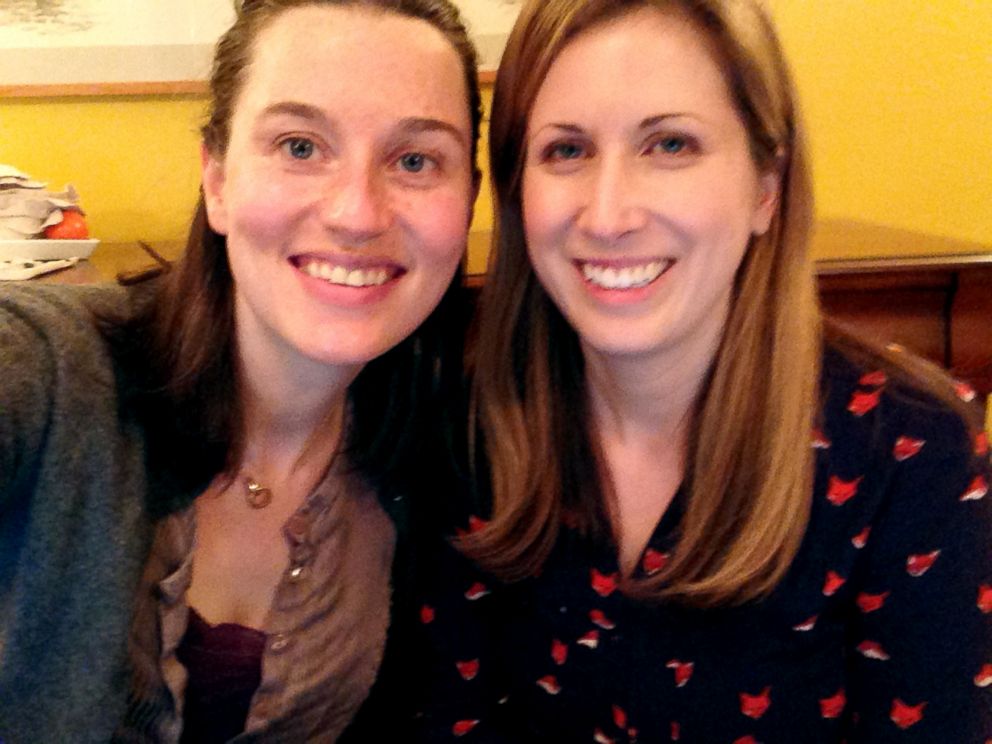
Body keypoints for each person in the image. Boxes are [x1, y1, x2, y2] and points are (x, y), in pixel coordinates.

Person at [411, 0, 992, 741]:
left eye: (671, 144)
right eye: (566, 151)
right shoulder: (474, 433)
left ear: (765, 188)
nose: (609, 214)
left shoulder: (912, 452)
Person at [0, 0, 481, 741]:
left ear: (470, 196)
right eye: (299, 145)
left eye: (415, 160)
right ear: (217, 179)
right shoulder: (52, 370)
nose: (357, 213)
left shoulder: (443, 460)